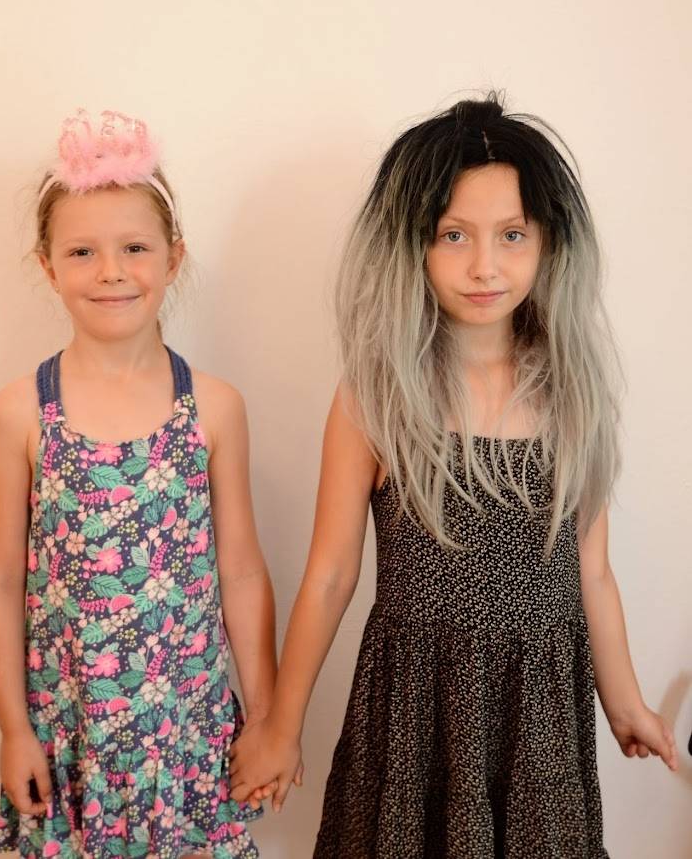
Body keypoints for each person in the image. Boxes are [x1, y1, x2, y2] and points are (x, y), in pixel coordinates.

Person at [229, 94, 679, 857]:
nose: (484, 266)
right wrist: (279, 725)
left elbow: (592, 573)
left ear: (548, 243)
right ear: (412, 244)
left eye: (511, 235)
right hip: (416, 711)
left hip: (536, 720)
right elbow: (331, 575)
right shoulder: (375, 397)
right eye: (453, 235)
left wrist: (624, 701)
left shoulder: (572, 397)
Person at [0, 110, 277, 858]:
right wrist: (13, 729)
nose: (110, 271)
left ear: (173, 259)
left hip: (188, 733)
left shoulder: (215, 408)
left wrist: (268, 718)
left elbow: (240, 570)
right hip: (72, 733)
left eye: (134, 248)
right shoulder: (20, 413)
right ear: (49, 267)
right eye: (82, 251)